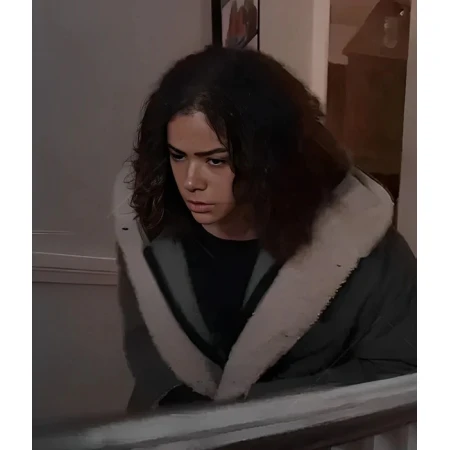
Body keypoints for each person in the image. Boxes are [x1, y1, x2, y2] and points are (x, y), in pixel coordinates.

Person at [113, 46, 416, 414]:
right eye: (178, 156)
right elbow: (144, 343)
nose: (191, 181)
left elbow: (402, 373)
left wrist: (250, 416)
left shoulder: (366, 246)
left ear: (270, 157)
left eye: (215, 160)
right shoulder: (147, 227)